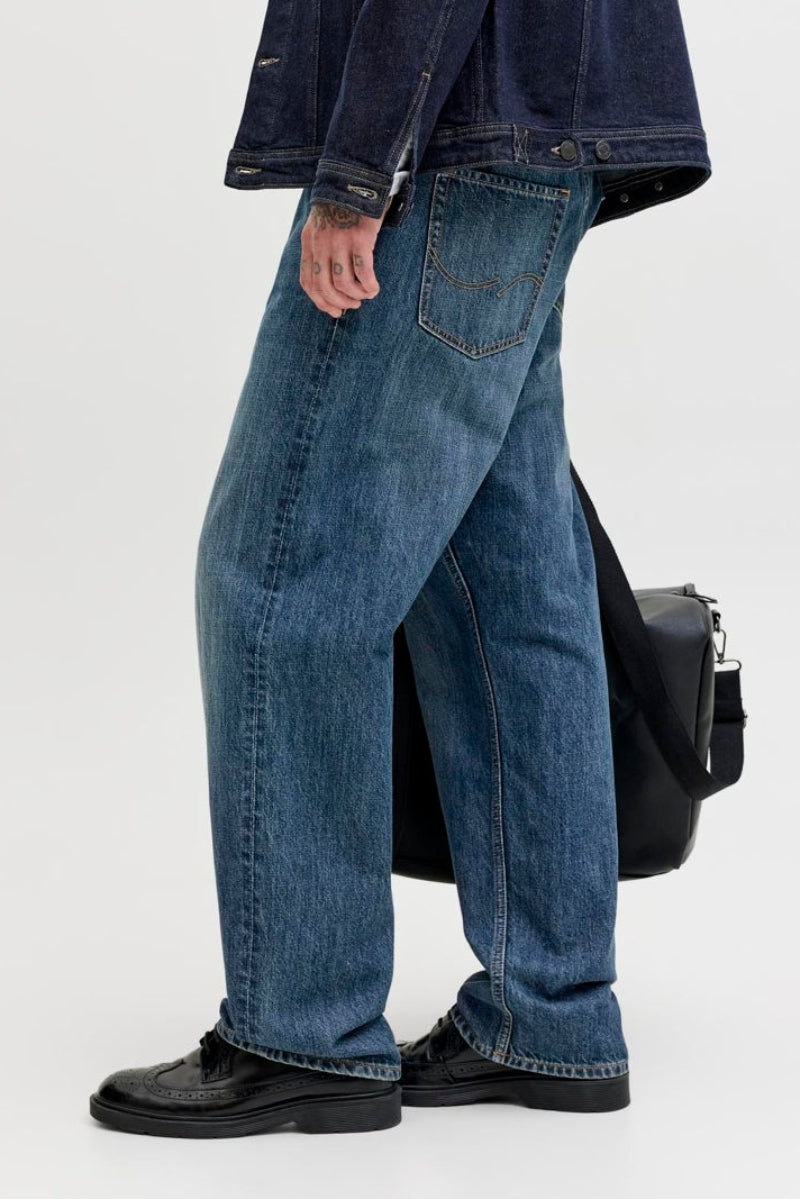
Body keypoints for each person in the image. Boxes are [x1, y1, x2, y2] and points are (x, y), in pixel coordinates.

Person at [89, 0, 710, 1136]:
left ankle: (302, 1026)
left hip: (448, 141)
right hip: (534, 134)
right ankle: (550, 1013)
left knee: (281, 576)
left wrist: (358, 169)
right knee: (507, 589)